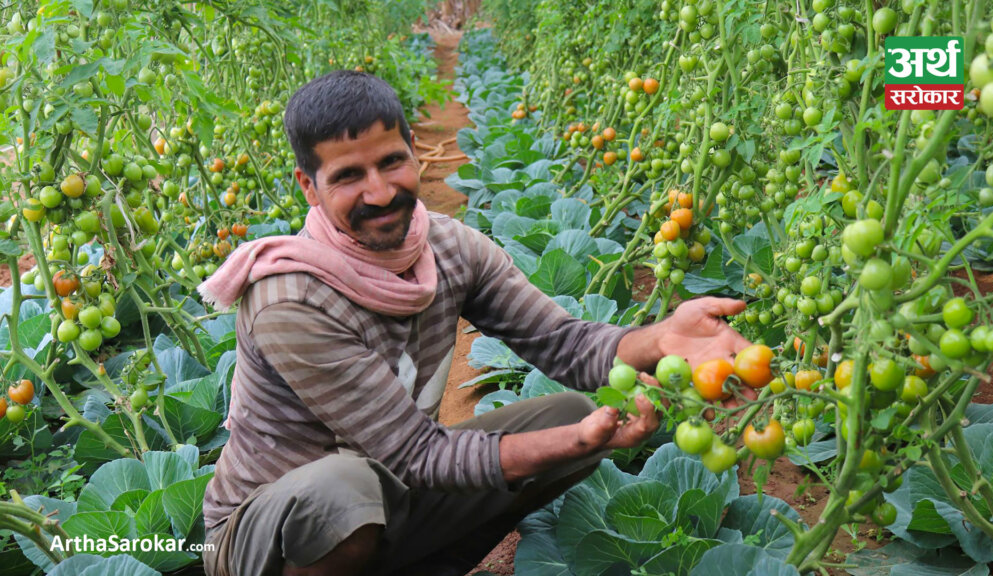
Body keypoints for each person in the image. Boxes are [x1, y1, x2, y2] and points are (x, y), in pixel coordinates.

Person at [198, 70, 751, 576]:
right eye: (348, 176)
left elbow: (562, 343)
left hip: (391, 487)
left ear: (413, 151)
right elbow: (419, 455)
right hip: (261, 538)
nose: (381, 192)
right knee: (344, 490)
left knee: (565, 411)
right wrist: (575, 441)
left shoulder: (448, 247)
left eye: (391, 161)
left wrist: (660, 338)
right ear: (308, 187)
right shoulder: (289, 300)